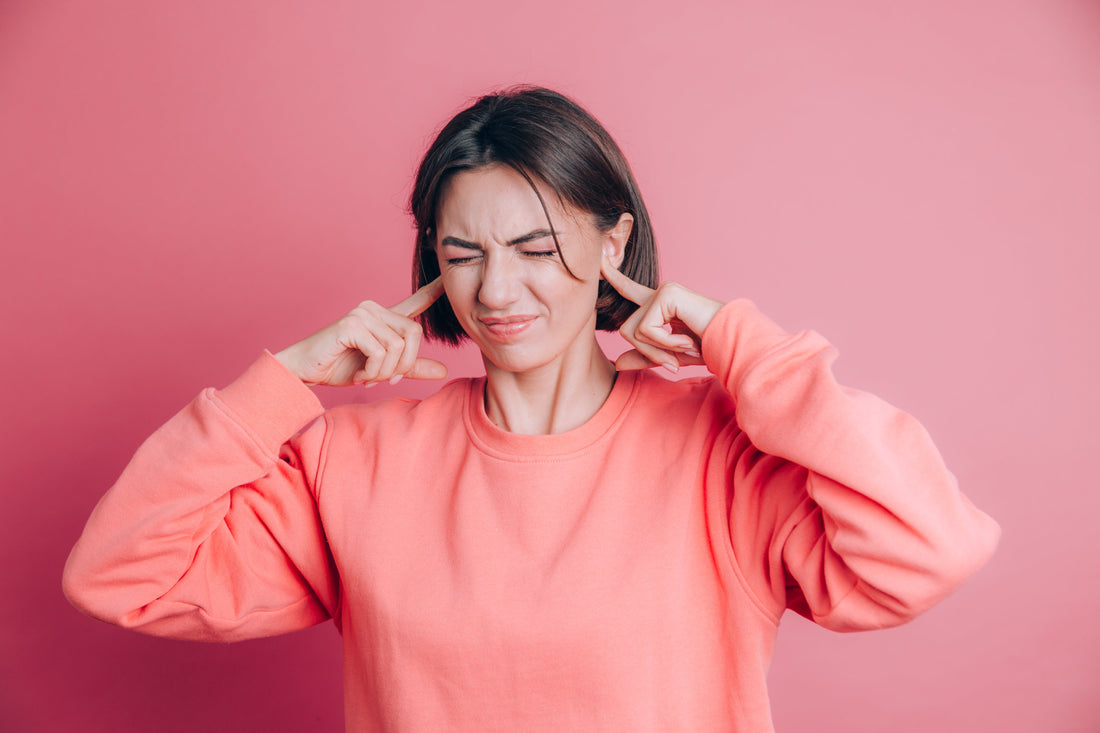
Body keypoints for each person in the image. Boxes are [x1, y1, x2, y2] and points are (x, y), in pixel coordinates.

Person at [63, 86, 1000, 732]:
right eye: (463, 251)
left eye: (537, 245)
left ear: (612, 242)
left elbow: (928, 545)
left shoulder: (719, 450)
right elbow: (120, 572)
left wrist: (742, 345)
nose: (498, 287)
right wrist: (286, 381)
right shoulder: (357, 460)